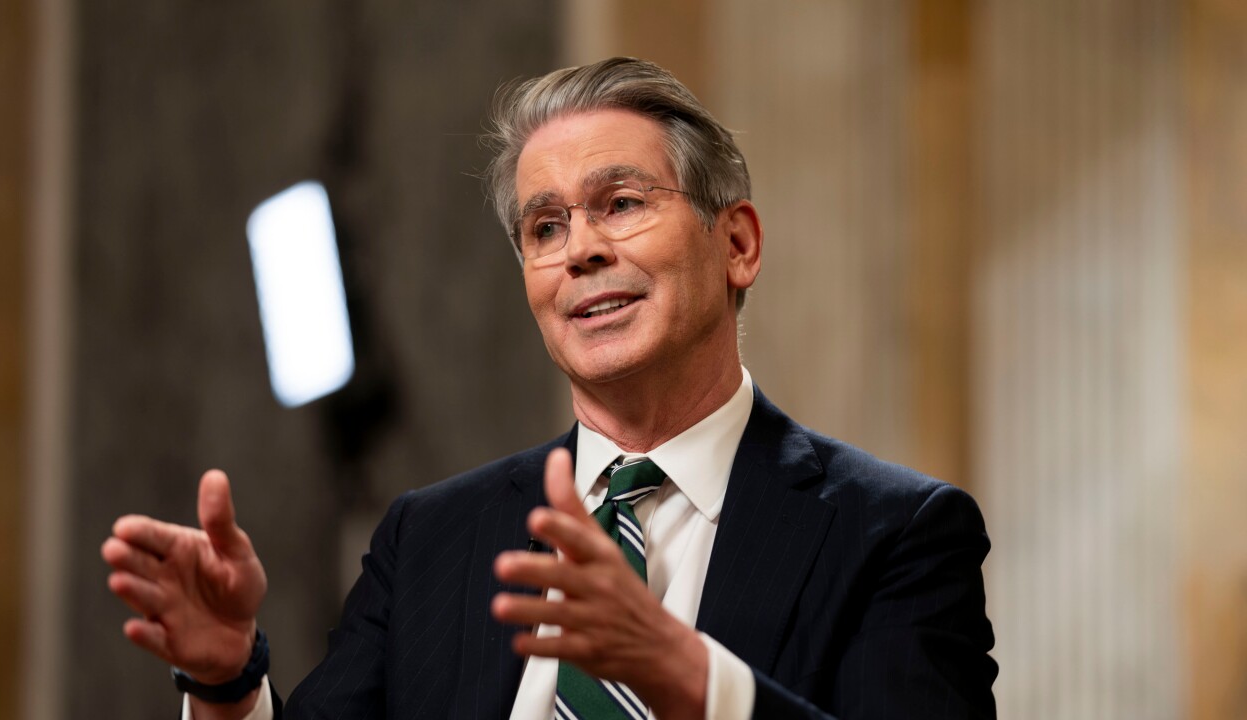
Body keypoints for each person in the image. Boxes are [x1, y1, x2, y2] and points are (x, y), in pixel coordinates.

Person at [102, 57, 998, 719]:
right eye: (545, 226)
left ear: (737, 245)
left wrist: (686, 677)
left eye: (620, 204)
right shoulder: (431, 541)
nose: (581, 251)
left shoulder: (896, 534)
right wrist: (225, 682)